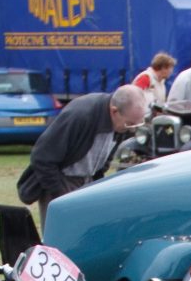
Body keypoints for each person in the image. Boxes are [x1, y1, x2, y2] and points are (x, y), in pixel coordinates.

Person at [15, 84, 149, 218]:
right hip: (61, 180)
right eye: (130, 124)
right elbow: (41, 157)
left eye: (136, 124)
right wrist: (60, 194)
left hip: (87, 181)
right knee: (62, 235)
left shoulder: (121, 124)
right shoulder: (80, 116)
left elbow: (105, 157)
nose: (132, 130)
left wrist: (96, 181)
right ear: (114, 111)